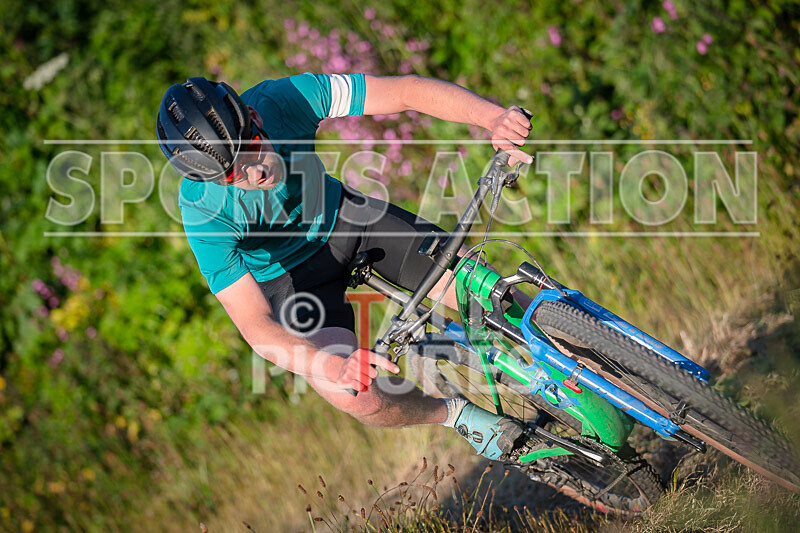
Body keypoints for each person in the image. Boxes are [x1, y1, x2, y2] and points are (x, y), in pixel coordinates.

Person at [156, 72, 535, 461]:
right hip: (292, 280)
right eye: (235, 173)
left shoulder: (285, 99)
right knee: (355, 396)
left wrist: (491, 118)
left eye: (251, 147)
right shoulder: (203, 212)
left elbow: (404, 92)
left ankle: (584, 358)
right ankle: (457, 415)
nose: (255, 172)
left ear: (255, 116)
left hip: (344, 218)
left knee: (486, 294)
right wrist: (330, 366)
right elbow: (255, 324)